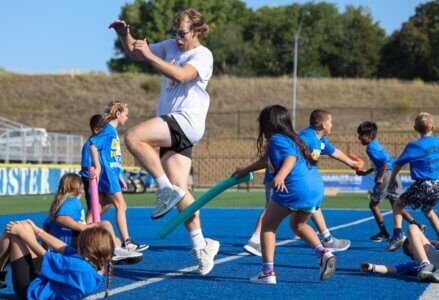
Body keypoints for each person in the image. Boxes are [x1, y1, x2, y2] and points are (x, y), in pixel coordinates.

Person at [109, 9, 219, 274]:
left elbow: (181, 76)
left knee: (134, 137)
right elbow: (137, 52)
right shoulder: (170, 47)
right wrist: (126, 36)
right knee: (182, 190)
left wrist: (148, 55)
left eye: (182, 34)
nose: (177, 39)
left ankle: (162, 188)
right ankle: (202, 245)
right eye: (175, 33)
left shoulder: (202, 55)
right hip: (174, 124)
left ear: (196, 31)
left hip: (185, 120)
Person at [250, 105, 336, 285]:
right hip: (314, 187)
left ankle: (268, 273)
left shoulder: (277, 139)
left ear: (269, 123)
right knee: (297, 224)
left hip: (296, 188)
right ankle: (323, 253)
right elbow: (265, 160)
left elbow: (291, 158)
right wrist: (244, 170)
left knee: (267, 225)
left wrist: (280, 175)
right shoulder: (293, 138)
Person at [42, 173, 143, 264]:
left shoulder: (59, 205)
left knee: (114, 239)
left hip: (65, 243)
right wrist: (82, 228)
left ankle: (116, 249)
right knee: (105, 225)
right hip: (70, 242)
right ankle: (115, 252)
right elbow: (61, 218)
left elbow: (45, 227)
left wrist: (44, 251)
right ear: (80, 188)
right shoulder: (72, 201)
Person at [0, 220, 114, 299]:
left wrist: (24, 235)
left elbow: (45, 255)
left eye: (79, 244)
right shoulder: (96, 263)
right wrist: (38, 231)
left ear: (88, 249)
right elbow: (63, 248)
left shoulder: (80, 267)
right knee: (24, 226)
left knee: (12, 230)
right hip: (45, 282)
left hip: (32, 290)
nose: (77, 245)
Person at [90, 101, 148, 252]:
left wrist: (119, 176)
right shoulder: (109, 130)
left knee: (101, 205)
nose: (126, 118)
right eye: (125, 115)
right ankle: (127, 242)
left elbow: (111, 156)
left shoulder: (112, 131)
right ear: (118, 114)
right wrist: (97, 167)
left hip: (112, 175)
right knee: (121, 206)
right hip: (108, 176)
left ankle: (81, 230)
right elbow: (93, 144)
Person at [296, 109, 358, 251]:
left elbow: (334, 152)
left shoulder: (320, 139)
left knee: (312, 205)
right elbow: (289, 149)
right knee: (274, 214)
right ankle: (257, 239)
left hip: (301, 184)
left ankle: (327, 240)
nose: (332, 124)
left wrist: (352, 164)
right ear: (324, 125)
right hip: (291, 181)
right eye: (330, 122)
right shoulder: (307, 138)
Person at [356, 121, 426, 242]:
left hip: (387, 174)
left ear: (368, 135)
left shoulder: (370, 147)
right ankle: (416, 225)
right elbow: (379, 163)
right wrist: (365, 172)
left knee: (373, 205)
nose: (359, 138)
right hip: (393, 174)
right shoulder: (375, 145)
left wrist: (380, 177)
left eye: (360, 135)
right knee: (396, 205)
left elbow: (385, 162)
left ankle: (384, 233)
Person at [387, 112, 439, 251]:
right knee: (428, 210)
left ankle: (398, 234)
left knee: (398, 204)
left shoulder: (413, 146)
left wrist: (392, 180)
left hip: (424, 184)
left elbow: (398, 164)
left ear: (415, 128)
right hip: (438, 185)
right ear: (433, 127)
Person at [360, 224, 439, 282]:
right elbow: (393, 269)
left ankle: (428, 266)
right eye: (412, 244)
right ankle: (428, 266)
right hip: (428, 265)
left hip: (433, 258)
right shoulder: (414, 265)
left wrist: (433, 242)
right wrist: (372, 267)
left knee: (412, 227)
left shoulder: (430, 248)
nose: (415, 244)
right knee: (411, 227)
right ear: (412, 255)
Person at [79, 114, 109, 223]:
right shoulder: (90, 145)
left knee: (106, 203)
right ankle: (86, 227)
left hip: (98, 181)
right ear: (96, 130)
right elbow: (87, 167)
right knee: (95, 207)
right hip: (90, 181)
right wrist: (94, 181)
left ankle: (89, 223)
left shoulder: (99, 145)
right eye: (104, 130)